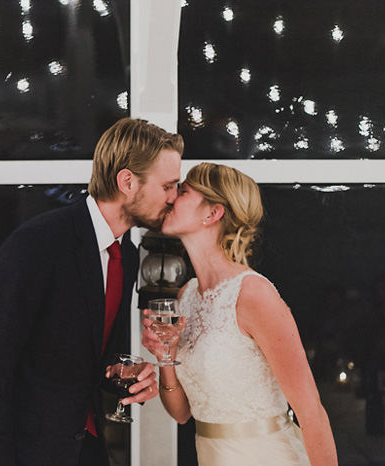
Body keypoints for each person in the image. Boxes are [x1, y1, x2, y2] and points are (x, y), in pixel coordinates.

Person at [0, 118, 184, 466]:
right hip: (21, 452)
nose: (174, 197)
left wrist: (125, 376)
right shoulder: (38, 243)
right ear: (127, 182)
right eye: (168, 185)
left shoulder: (129, 255)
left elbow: (95, 357)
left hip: (83, 450)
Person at [141, 162, 337, 466]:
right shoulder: (187, 295)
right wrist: (165, 357)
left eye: (182, 191)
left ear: (212, 213)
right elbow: (181, 414)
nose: (170, 199)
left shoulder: (253, 294)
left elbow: (310, 410)